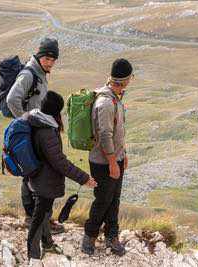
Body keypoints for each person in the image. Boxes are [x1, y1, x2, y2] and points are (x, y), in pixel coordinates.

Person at [25, 91, 97, 266]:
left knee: (44, 214)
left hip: (38, 178)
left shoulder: (38, 121)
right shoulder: (46, 132)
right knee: (39, 217)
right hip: (44, 181)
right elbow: (60, 163)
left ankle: (47, 244)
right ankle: (33, 256)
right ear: (54, 112)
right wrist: (84, 178)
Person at [6, 37, 64, 233]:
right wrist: (25, 120)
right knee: (32, 173)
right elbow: (12, 98)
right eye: (47, 58)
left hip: (36, 131)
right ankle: (33, 218)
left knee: (34, 173)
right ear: (39, 57)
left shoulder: (40, 73)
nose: (50, 63)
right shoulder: (29, 74)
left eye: (53, 59)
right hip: (30, 131)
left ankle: (39, 217)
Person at [81, 58, 133, 256]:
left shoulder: (116, 97)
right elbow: (104, 135)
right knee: (103, 200)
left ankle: (112, 236)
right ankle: (89, 236)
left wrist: (123, 154)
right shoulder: (105, 102)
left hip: (115, 158)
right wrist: (112, 162)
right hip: (103, 162)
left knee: (114, 199)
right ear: (125, 80)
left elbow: (118, 130)